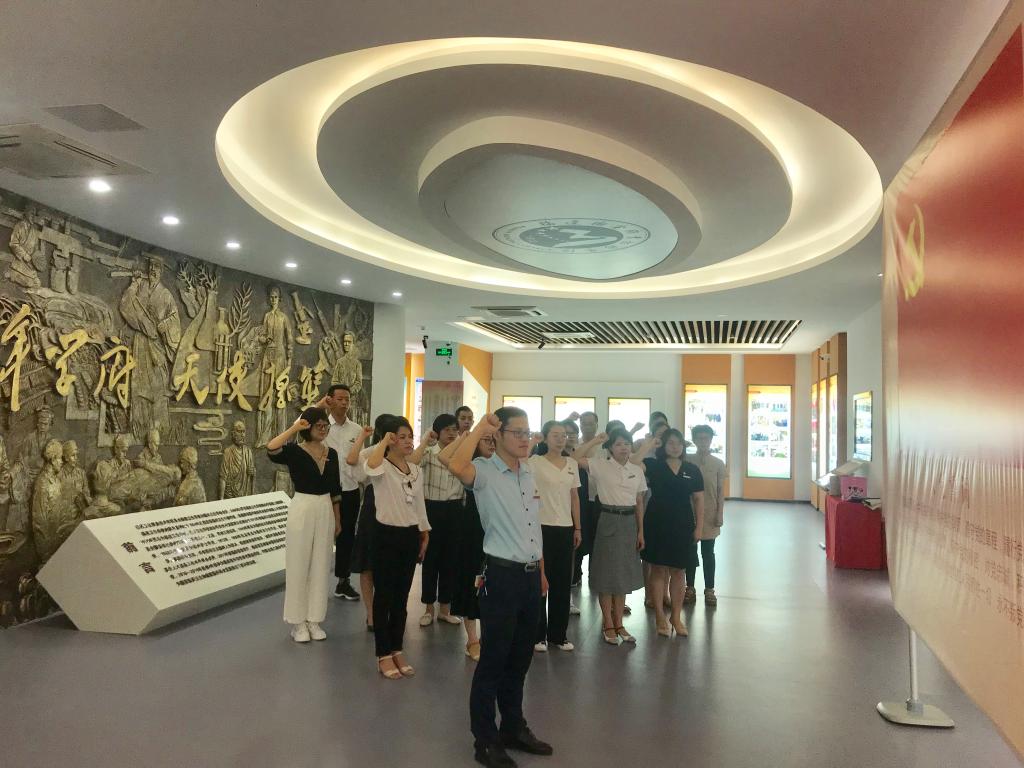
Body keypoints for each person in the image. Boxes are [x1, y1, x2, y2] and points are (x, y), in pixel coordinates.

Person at [449, 409, 554, 768]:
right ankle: (485, 740)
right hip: (501, 576)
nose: (526, 439)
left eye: (528, 432)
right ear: (499, 435)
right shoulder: (485, 471)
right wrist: (482, 425)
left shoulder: (529, 472)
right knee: (493, 660)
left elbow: (532, 526)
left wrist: (540, 570)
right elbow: (454, 464)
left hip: (530, 577)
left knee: (520, 659)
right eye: (518, 432)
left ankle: (513, 727)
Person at [267, 407, 343, 643]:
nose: (323, 429)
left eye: (325, 426)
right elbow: (271, 448)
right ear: (307, 427)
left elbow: (335, 489)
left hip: (325, 507)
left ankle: (314, 619)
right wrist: (294, 428)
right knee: (298, 562)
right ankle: (297, 622)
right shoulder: (294, 451)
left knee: (321, 563)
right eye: (318, 425)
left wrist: (337, 518)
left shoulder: (332, 454)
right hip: (302, 505)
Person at [362, 417, 430, 680]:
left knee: (401, 598)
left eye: (410, 436)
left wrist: (424, 531)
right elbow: (370, 467)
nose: (408, 441)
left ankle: (397, 649)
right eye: (401, 437)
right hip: (385, 536)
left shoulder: (415, 470)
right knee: (384, 597)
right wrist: (383, 441)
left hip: (410, 535)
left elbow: (419, 504)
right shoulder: (382, 467)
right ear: (390, 440)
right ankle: (383, 654)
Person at [574, 428, 646, 645]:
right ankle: (608, 623)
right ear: (610, 448)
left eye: (627, 443)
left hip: (629, 522)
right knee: (606, 574)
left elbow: (639, 502)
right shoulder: (600, 465)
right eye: (618, 444)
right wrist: (596, 440)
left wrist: (641, 531)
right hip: (608, 518)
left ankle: (619, 623)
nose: (624, 447)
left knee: (623, 574)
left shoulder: (637, 470)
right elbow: (574, 458)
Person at [637, 428, 704, 636]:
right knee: (658, 570)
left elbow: (699, 499)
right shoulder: (653, 465)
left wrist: (699, 527)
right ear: (663, 445)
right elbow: (632, 462)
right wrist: (649, 444)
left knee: (679, 571)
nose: (675, 447)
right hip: (657, 522)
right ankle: (659, 615)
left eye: (678, 443)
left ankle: (676, 616)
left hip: (683, 524)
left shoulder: (692, 469)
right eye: (670, 443)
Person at [438, 430, 496, 662]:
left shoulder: (504, 466)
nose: (491, 444)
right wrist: (467, 437)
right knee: (470, 582)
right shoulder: (470, 467)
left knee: (495, 585)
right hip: (472, 530)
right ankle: (472, 639)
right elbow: (444, 456)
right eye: (486, 440)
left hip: (497, 530)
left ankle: (489, 637)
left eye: (494, 439)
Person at [529, 421, 581, 653]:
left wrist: (578, 528)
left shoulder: (572, 464)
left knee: (561, 583)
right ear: (546, 438)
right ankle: (538, 635)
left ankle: (558, 635)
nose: (561, 439)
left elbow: (574, 497)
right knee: (540, 582)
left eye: (564, 435)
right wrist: (533, 441)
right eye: (555, 435)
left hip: (565, 528)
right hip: (541, 526)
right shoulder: (535, 462)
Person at [346, 413, 394, 630]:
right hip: (371, 511)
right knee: (367, 566)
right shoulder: (369, 452)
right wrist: (362, 438)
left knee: (389, 566)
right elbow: (355, 470)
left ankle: (387, 610)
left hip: (395, 511)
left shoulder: (401, 454)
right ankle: (371, 614)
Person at [318, 384, 365, 601]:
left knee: (347, 537)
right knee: (322, 535)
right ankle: (317, 583)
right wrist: (320, 406)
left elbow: (359, 460)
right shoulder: (320, 427)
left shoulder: (356, 430)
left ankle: (343, 581)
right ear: (330, 400)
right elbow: (300, 424)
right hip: (325, 491)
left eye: (347, 399)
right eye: (340, 399)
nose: (345, 403)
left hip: (350, 490)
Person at [418, 413, 465, 627]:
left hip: (455, 509)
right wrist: (424, 441)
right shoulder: (429, 453)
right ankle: (428, 608)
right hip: (432, 508)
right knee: (431, 561)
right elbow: (412, 463)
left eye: (455, 429)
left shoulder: (462, 454)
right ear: (437, 432)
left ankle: (445, 609)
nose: (452, 433)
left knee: (451, 561)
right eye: (447, 430)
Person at [688, 424, 726, 606]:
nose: (703, 442)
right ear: (694, 440)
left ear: (711, 440)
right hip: (689, 512)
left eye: (706, 438)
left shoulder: (718, 463)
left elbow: (720, 491)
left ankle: (709, 589)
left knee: (708, 553)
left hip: (710, 513)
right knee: (690, 552)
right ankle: (689, 588)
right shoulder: (687, 460)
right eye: (699, 438)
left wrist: (720, 513)